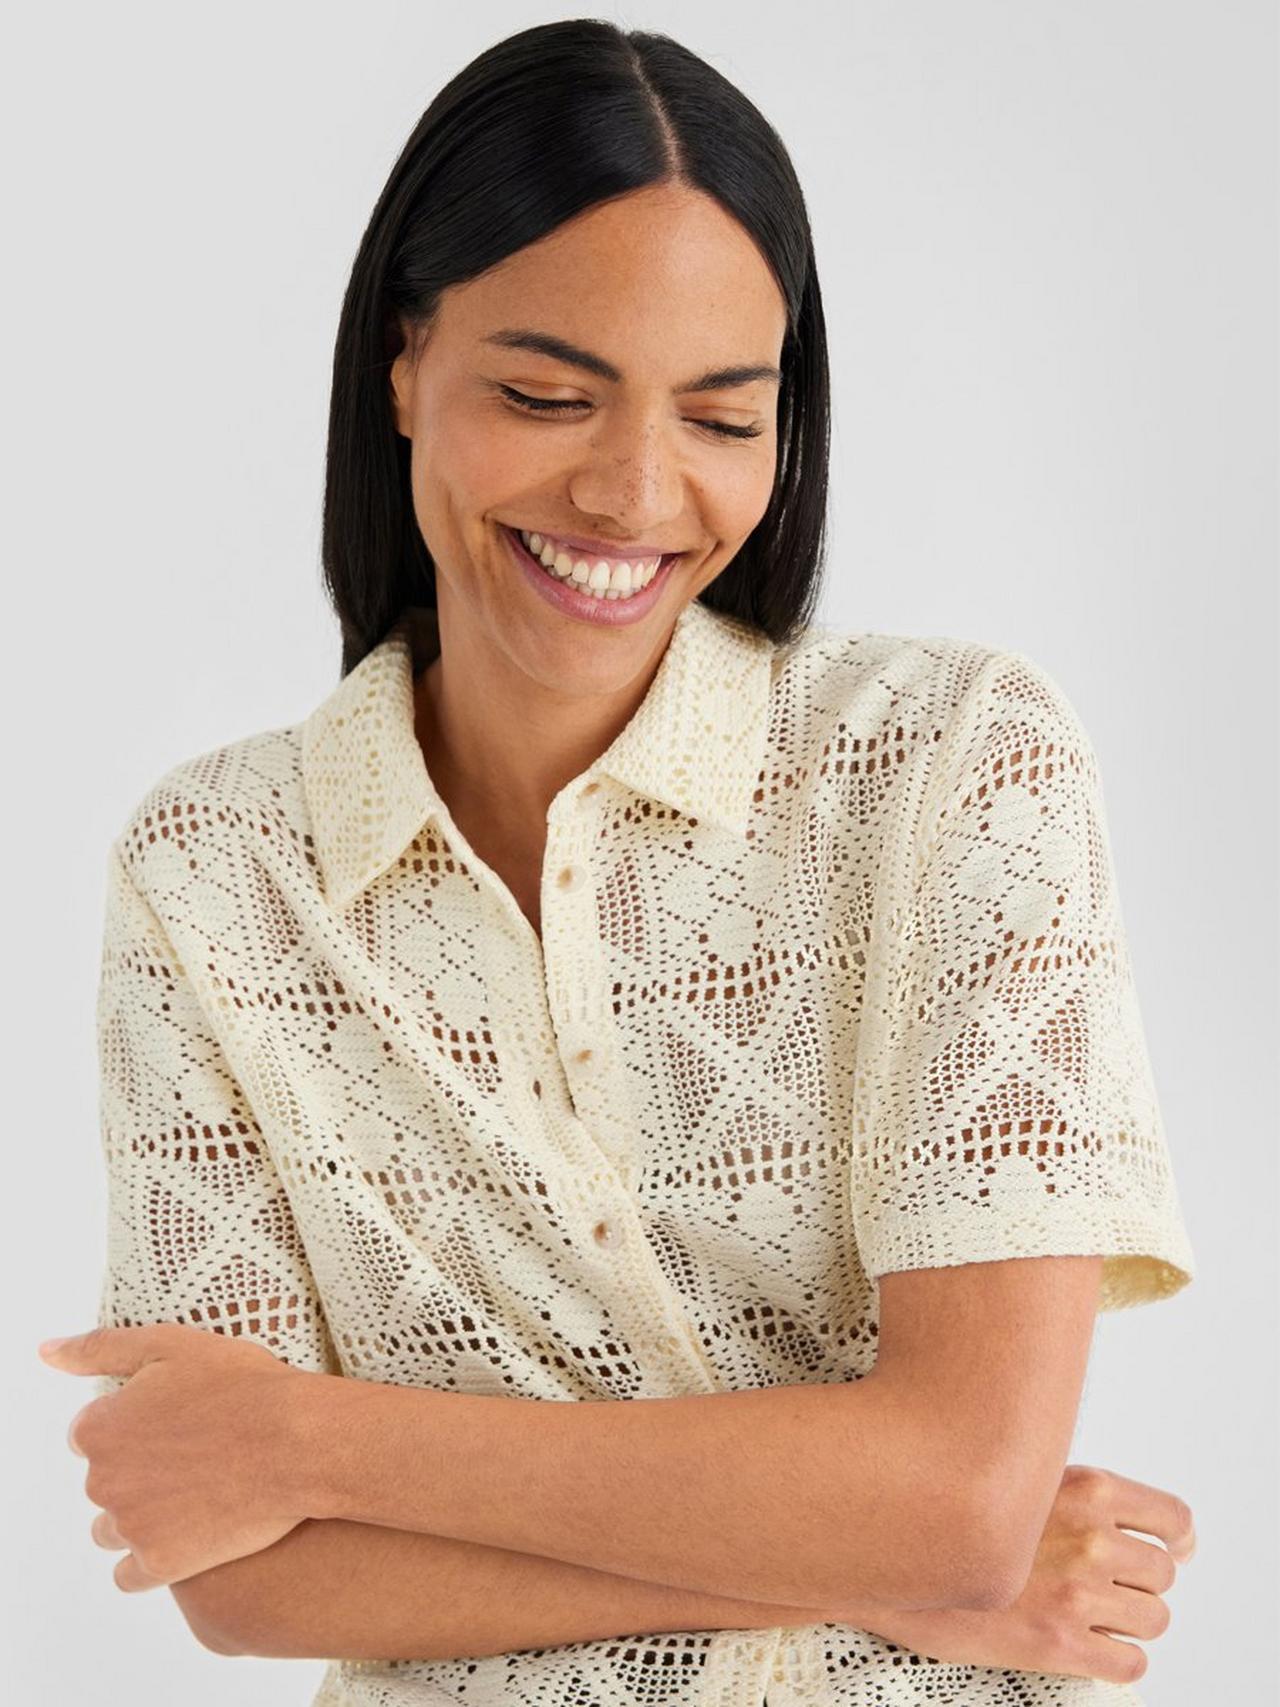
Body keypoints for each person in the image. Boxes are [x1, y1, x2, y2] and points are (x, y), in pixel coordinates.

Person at [74, 17, 1196, 1706]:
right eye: (545, 396)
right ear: (402, 365)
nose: (633, 492)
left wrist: (312, 1440)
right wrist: (894, 1565)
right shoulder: (211, 871)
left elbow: (958, 1497)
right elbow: (245, 1580)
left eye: (725, 418)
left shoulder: (954, 759)